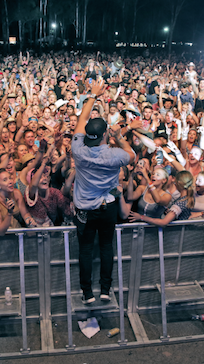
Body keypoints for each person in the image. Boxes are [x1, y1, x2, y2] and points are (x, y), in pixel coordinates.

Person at [71, 79, 136, 304]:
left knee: (86, 249)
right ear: (105, 135)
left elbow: (81, 119)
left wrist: (92, 95)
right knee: (107, 246)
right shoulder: (114, 154)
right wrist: (119, 138)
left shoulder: (78, 150)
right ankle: (106, 290)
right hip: (107, 206)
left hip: (85, 209)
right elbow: (132, 156)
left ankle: (87, 293)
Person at [128, 170, 195, 226]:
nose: (154, 175)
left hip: (173, 234)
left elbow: (163, 222)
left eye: (158, 174)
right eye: (153, 174)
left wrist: (141, 217)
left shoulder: (179, 202)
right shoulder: (187, 198)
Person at [0, 168, 36, 235]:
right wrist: (9, 213)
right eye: (5, 180)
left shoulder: (16, 193)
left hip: (18, 235)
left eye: (10, 178)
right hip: (4, 240)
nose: (10, 181)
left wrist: (29, 219)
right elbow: (0, 231)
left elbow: (25, 213)